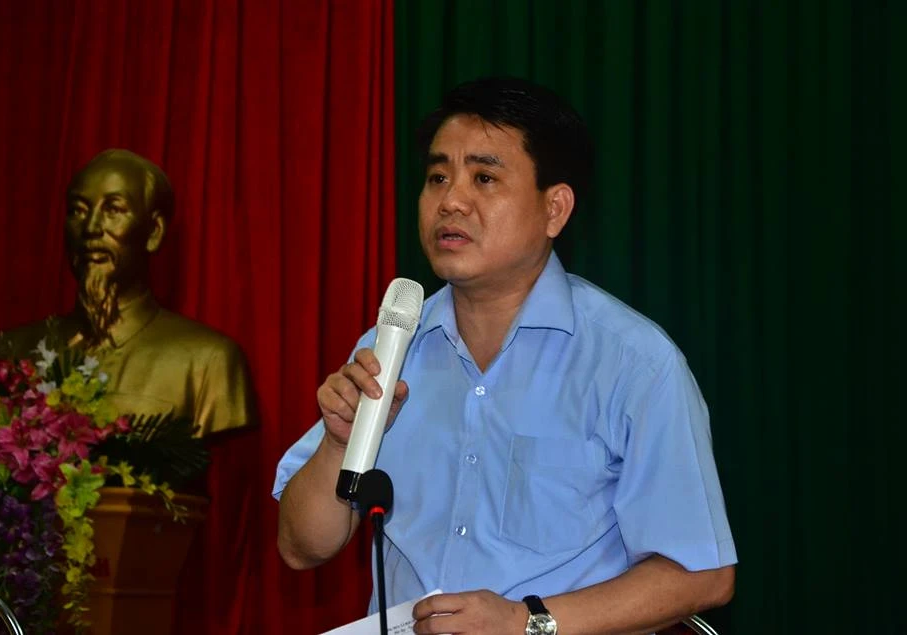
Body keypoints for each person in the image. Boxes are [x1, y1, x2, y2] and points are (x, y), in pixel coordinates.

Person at [274, 77, 736, 635]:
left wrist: (527, 621)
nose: (451, 201)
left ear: (554, 209)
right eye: (437, 177)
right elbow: (301, 547)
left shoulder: (633, 362)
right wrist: (339, 443)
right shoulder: (389, 347)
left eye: (484, 177)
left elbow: (702, 576)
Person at [0, 149, 255, 438]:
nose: (91, 228)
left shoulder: (209, 363)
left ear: (154, 232)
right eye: (78, 210)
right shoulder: (8, 353)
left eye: (113, 210)